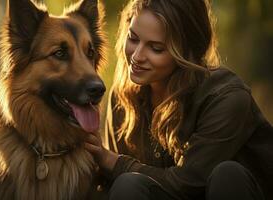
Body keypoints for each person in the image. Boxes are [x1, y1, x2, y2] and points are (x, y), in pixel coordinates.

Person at [84, 0, 273, 199]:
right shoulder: (123, 96)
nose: (137, 56)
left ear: (186, 52)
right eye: (133, 38)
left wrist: (112, 161)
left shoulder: (227, 98)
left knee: (227, 174)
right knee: (127, 182)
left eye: (156, 48)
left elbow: (187, 184)